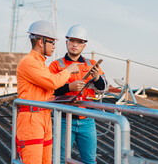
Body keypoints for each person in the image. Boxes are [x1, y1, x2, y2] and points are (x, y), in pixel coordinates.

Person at [15, 20, 81, 164]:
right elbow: (53, 82)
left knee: (46, 161)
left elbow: (49, 90)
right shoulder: (28, 62)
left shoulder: (40, 63)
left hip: (43, 116)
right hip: (31, 120)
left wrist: (66, 98)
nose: (54, 46)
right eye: (51, 42)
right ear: (40, 42)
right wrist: (69, 70)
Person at [49, 24, 108, 164]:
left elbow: (104, 88)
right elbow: (49, 89)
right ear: (66, 42)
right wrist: (69, 87)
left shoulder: (92, 64)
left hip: (87, 120)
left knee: (90, 160)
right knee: (60, 160)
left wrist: (97, 78)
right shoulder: (55, 65)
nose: (75, 44)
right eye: (72, 41)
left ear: (84, 46)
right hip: (63, 119)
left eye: (79, 42)